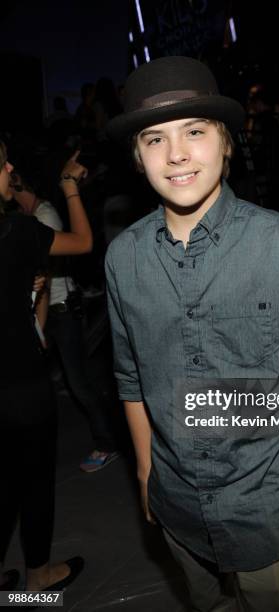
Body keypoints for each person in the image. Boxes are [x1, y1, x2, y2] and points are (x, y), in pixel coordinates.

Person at [105, 56, 279, 612]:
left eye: (194, 131)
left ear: (226, 142)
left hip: (265, 507)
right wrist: (146, 472)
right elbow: (130, 376)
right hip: (176, 507)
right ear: (137, 157)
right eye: (154, 139)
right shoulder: (123, 259)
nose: (176, 154)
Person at [0, 142, 91, 592]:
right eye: (1, 161)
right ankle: (36, 582)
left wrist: (27, 291)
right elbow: (84, 242)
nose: (11, 166)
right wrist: (70, 186)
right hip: (21, 387)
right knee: (33, 482)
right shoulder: (17, 230)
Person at [10, 171, 119, 472]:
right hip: (47, 312)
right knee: (70, 382)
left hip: (62, 310)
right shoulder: (22, 218)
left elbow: (43, 277)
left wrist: (39, 327)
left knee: (80, 383)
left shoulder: (43, 216)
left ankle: (108, 442)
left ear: (18, 181)